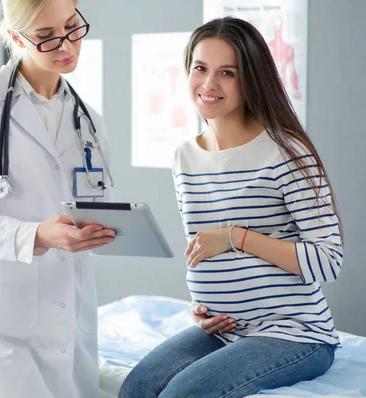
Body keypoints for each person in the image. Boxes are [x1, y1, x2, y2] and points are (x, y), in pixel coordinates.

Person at [119, 17, 343, 398]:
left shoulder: (286, 152)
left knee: (181, 395)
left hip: (295, 332)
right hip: (225, 331)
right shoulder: (185, 157)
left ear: (250, 79)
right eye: (200, 68)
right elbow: (202, 248)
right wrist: (201, 305)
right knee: (136, 389)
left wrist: (236, 238)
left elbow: (328, 261)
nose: (209, 84)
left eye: (227, 73)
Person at [0, 0, 115, 397]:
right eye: (47, 37)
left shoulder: (90, 120)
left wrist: (104, 229)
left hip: (72, 318)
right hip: (7, 324)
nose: (67, 45)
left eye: (72, 26)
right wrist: (36, 234)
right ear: (16, 37)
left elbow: (98, 202)